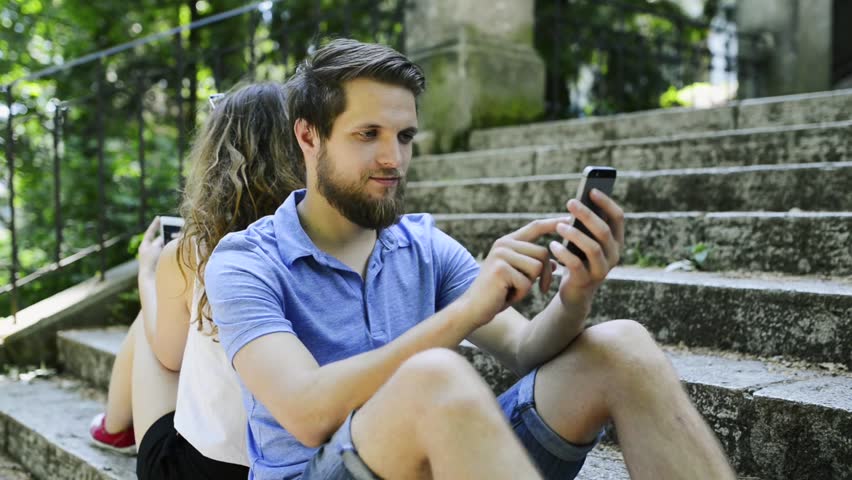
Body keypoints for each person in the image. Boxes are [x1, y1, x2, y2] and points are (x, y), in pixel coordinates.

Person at [205, 39, 737, 480]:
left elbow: (526, 348)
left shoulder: (420, 244)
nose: (393, 159)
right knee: (435, 376)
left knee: (620, 346)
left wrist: (577, 293)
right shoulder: (246, 261)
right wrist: (465, 311)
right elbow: (307, 412)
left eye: (405, 136)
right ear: (308, 136)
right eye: (368, 135)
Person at [88, 81, 304, 479]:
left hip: (197, 469)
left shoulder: (194, 252)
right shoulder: (322, 242)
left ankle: (115, 427)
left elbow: (168, 355)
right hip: (291, 463)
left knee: (151, 322)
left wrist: (146, 275)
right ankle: (114, 425)